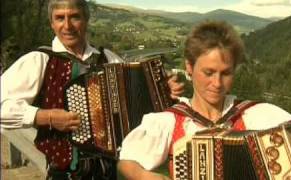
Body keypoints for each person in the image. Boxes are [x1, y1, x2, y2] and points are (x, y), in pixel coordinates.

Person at [0, 0, 183, 179]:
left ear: (86, 20)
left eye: (74, 17)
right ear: (52, 24)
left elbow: (140, 98)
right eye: (59, 18)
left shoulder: (107, 58)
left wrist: (165, 92)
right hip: (64, 174)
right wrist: (47, 117)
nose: (67, 25)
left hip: (110, 172)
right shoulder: (39, 60)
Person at [117, 21, 291, 180]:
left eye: (226, 73)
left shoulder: (259, 114)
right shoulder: (169, 122)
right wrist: (143, 176)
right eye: (208, 72)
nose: (217, 83)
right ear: (189, 67)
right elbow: (127, 162)